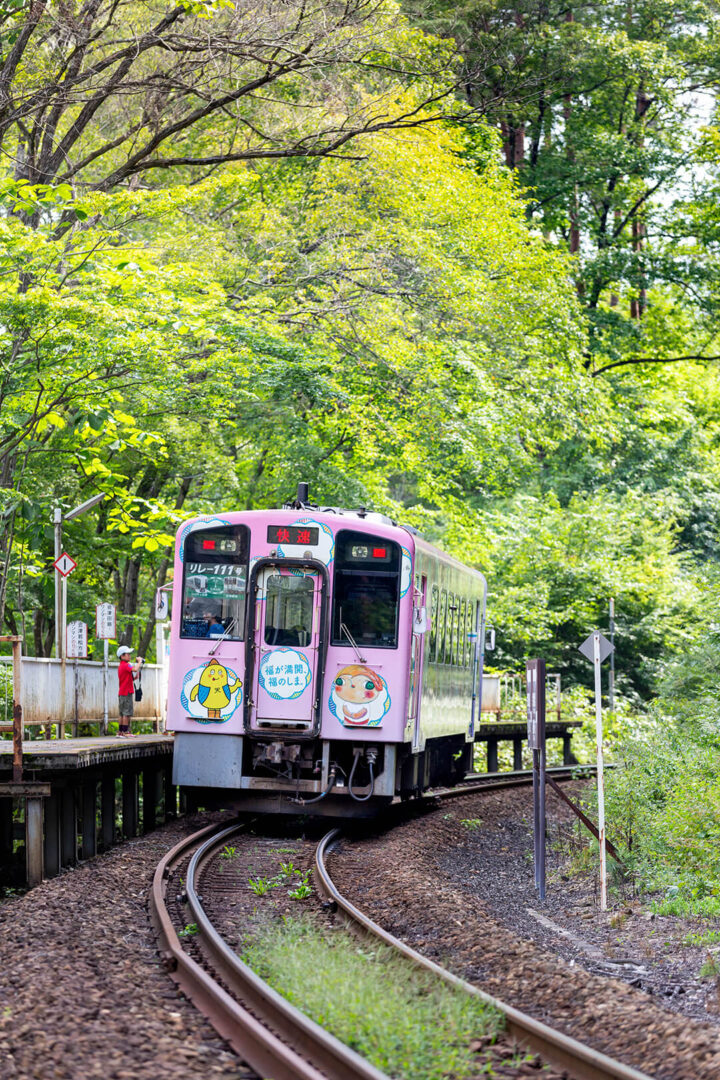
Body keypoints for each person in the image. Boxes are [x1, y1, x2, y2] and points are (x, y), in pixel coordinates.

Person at [116, 645, 143, 737]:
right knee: (126, 714)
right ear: (122, 656)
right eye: (128, 654)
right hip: (126, 692)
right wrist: (139, 662)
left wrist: (135, 678)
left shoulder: (121, 666)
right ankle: (125, 732)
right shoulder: (126, 665)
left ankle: (120, 732)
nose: (129, 656)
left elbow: (126, 679)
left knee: (122, 713)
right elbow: (135, 669)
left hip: (121, 692)